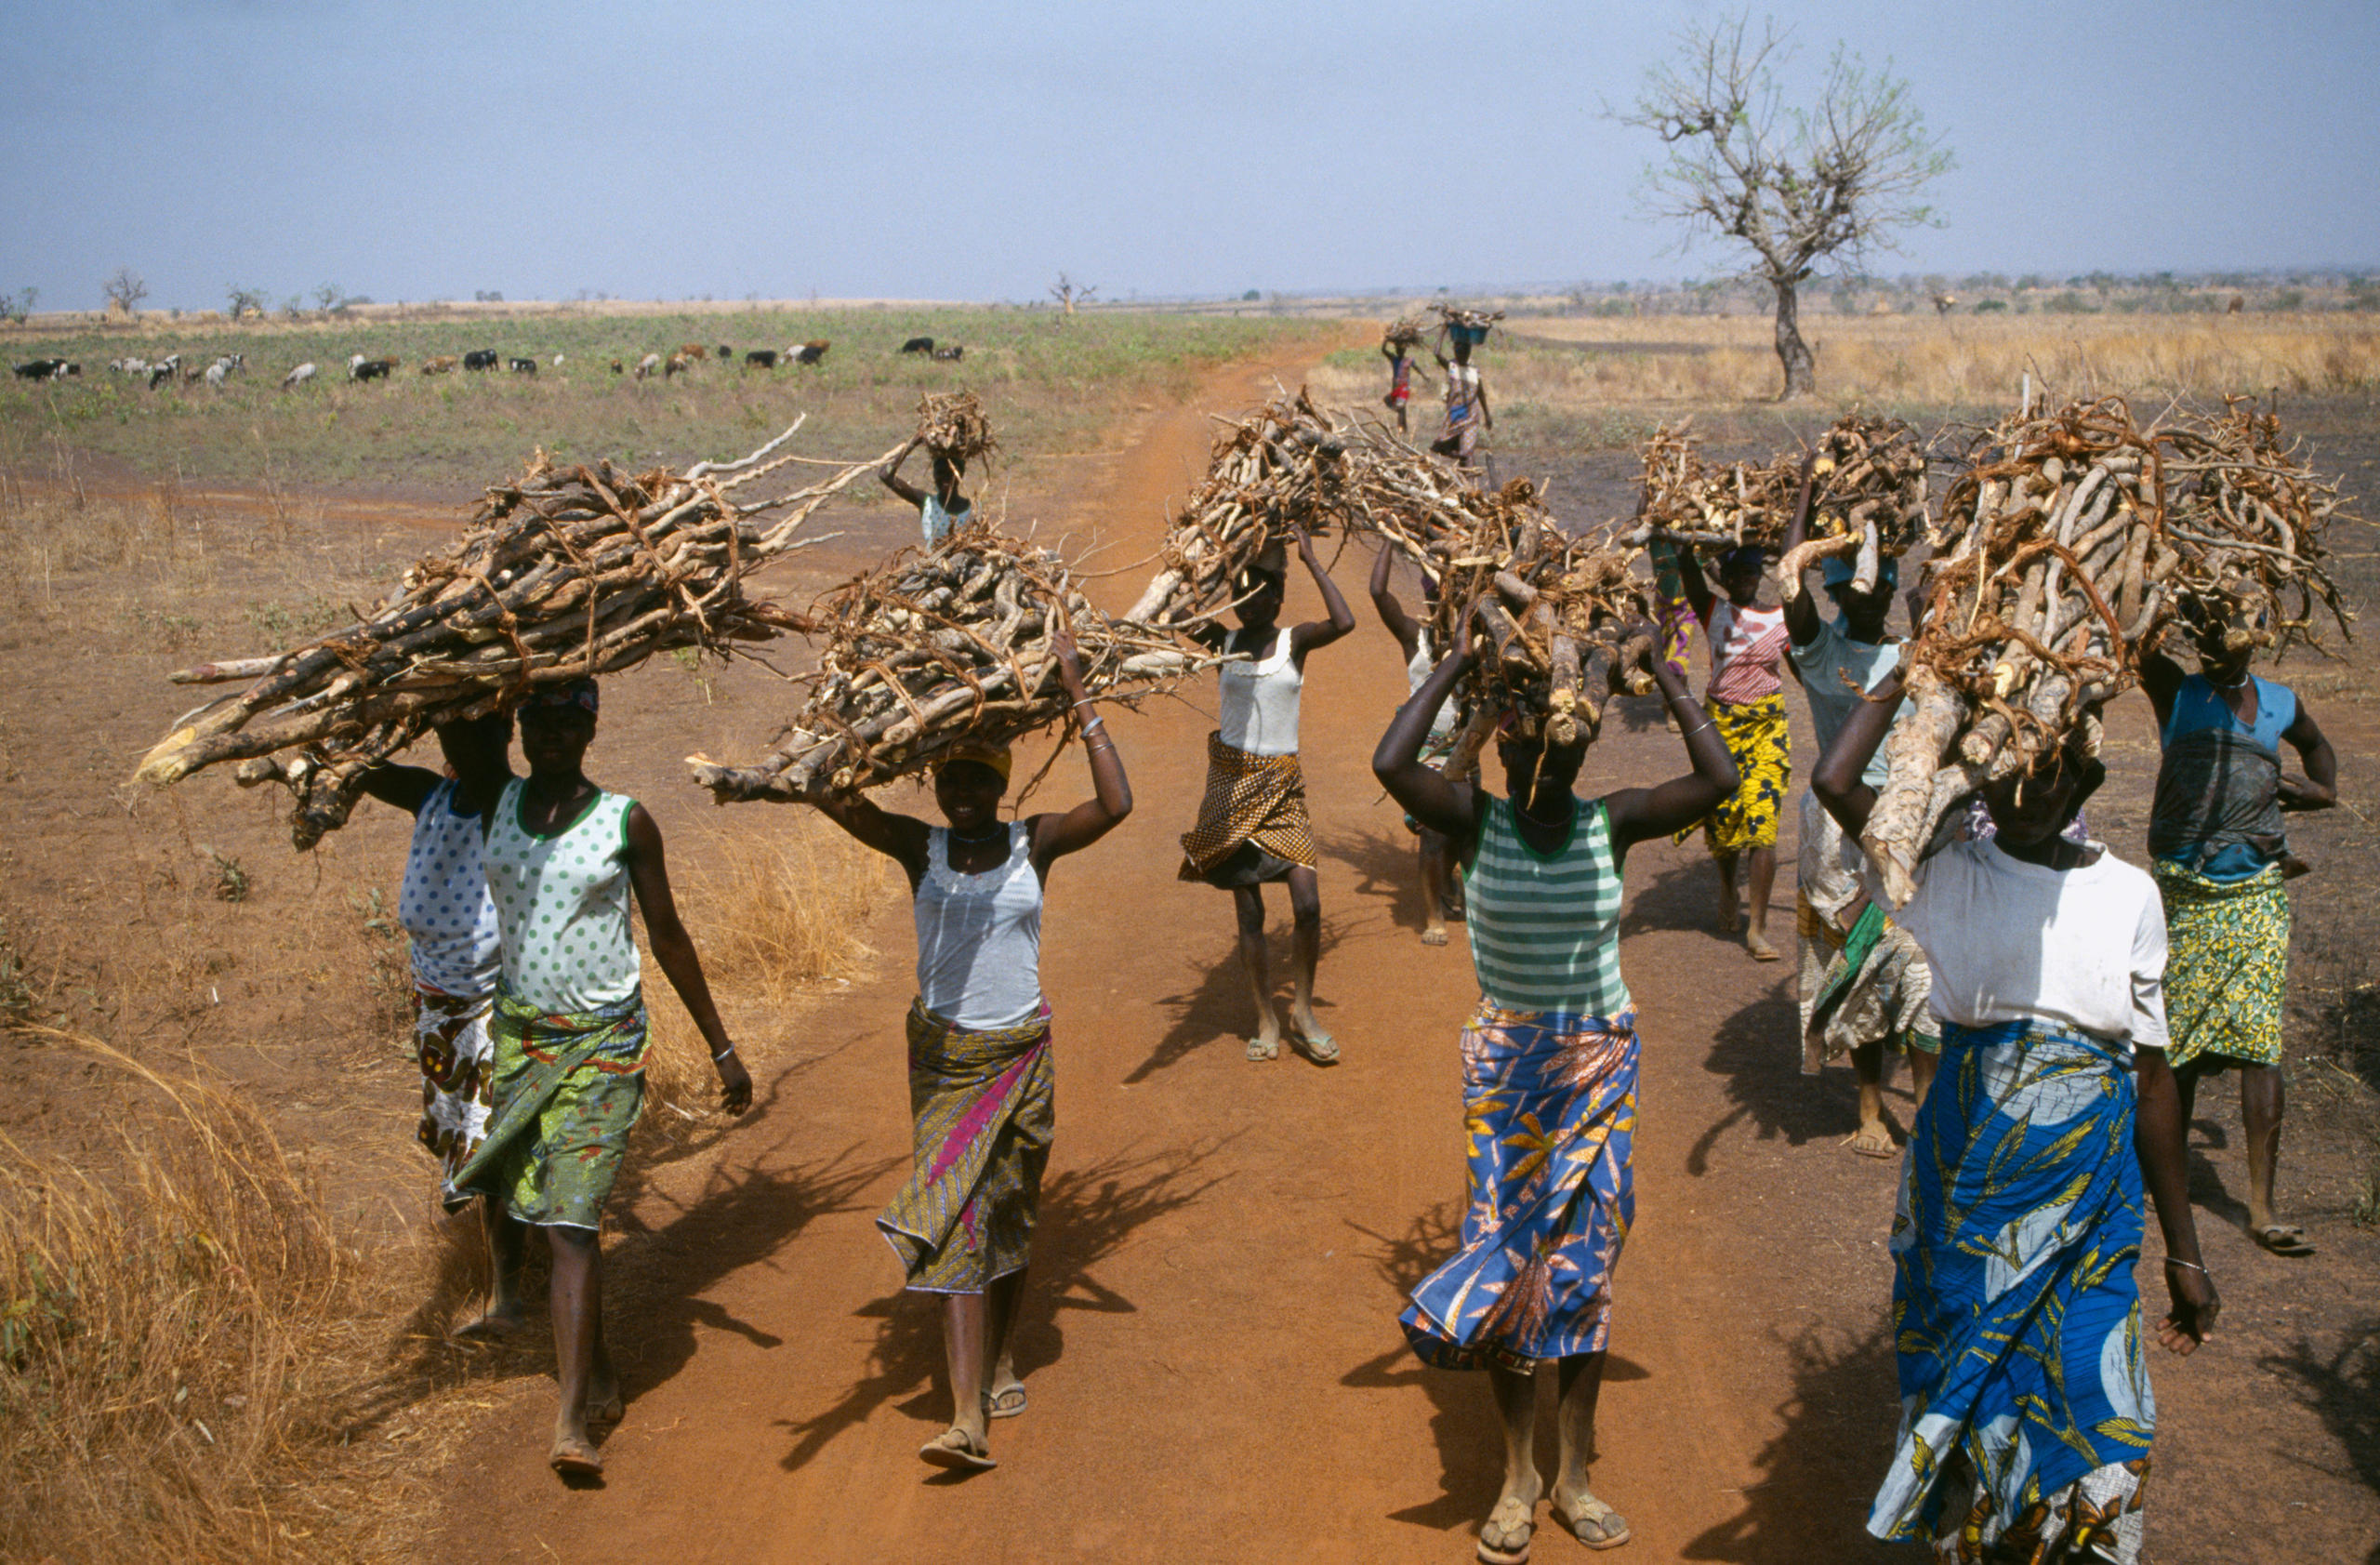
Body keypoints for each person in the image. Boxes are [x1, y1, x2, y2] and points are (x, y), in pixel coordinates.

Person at [1814, 679, 2218, 1564]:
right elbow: (1837, 783)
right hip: (1967, 1193)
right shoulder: (1950, 876)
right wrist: (1913, 684)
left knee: (2102, 1408)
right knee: (1969, 1390)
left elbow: (2154, 1082)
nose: (2024, 798)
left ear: (2083, 780)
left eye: (2048, 778)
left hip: (2091, 1204)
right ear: (1975, 782)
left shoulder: (2132, 897)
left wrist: (2183, 1248)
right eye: (2002, 778)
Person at [1375, 617, 1737, 1563]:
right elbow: (1390, 763)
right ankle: (1516, 1474)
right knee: (1506, 1266)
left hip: (1599, 1067)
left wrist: (1665, 674)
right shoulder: (1472, 821)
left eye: (1568, 747)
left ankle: (1574, 1478)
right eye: (1535, 738)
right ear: (1508, 739)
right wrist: (1458, 663)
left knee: (1582, 1274)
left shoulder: (1607, 820)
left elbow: (1717, 784)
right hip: (1508, 1076)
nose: (1554, 762)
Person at [796, 619, 1131, 1472]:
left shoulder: (1035, 842)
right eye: (951, 777)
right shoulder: (923, 847)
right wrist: (847, 713)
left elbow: (1118, 804)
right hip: (946, 1058)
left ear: (1000, 784)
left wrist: (1077, 691)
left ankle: (1001, 1353)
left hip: (1021, 1054)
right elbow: (830, 794)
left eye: (979, 778)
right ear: (936, 781)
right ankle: (966, 1412)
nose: (963, 793)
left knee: (1011, 1214)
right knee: (955, 1216)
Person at [446, 679, 753, 1479]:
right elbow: (451, 722)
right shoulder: (493, 799)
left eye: (566, 721)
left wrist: (722, 1046)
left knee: (573, 1221)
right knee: (546, 1215)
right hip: (521, 1042)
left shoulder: (626, 819)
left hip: (604, 1047)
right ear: (517, 726)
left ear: (591, 728)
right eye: (535, 720)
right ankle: (601, 1373)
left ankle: (571, 1420)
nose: (550, 735)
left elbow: (669, 936)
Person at [2142, 608, 2336, 1256]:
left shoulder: (2280, 703)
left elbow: (2317, 744)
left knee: (2260, 1042)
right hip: (2188, 893)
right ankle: (2163, 1177)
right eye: (2207, 643)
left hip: (2256, 888)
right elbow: (2134, 635)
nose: (2217, 657)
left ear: (2253, 646)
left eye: (2228, 645)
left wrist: (2320, 791)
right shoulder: (2179, 692)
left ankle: (2260, 1205)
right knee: (2182, 1040)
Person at [1778, 460, 1937, 1156]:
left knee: (1923, 962)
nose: (1868, 602)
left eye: (1881, 592)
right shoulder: (1822, 651)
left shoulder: (1916, 653)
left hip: (1902, 813)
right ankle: (1869, 1110)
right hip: (1840, 822)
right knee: (1863, 959)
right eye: (1856, 594)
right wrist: (1810, 504)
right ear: (1841, 594)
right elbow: (1790, 585)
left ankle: (1930, 1115)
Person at [358, 711, 519, 1322]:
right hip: (439, 1008)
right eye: (452, 732)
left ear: (507, 733)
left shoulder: (519, 804)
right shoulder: (431, 796)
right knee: (472, 1148)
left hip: (498, 1003)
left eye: (481, 732)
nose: (465, 747)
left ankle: (510, 1292)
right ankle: (512, 1280)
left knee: (492, 1150)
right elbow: (364, 770)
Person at [1180, 524, 1355, 1063]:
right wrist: (1212, 558)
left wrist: (1310, 559)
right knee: (1250, 913)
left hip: (1281, 787)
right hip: (1231, 784)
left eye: (1260, 594)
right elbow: (1171, 615)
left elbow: (1344, 622)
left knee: (1307, 903)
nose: (1248, 604)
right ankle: (1266, 1016)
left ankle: (1302, 1009)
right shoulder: (1223, 642)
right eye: (1241, 594)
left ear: (1278, 598)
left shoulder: (1293, 642)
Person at [1670, 539, 1792, 959]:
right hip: (1720, 724)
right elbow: (1688, 575)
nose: (1743, 581)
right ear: (1725, 576)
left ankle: (1757, 927)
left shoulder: (1781, 618)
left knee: (1762, 823)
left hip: (1766, 729)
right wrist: (1684, 544)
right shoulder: (1714, 610)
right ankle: (1727, 889)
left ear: (1761, 578)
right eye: (1736, 574)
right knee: (1723, 820)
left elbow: (1802, 663)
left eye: (1751, 574)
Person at [1368, 542, 1466, 945]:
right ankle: (1432, 917)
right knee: (1431, 832)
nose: (1442, 602)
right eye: (1436, 595)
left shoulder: (1476, 641)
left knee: (1461, 827)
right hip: (1423, 748)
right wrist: (1387, 539)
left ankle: (1446, 879)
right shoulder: (1416, 637)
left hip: (1463, 744)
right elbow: (1378, 593)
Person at [881, 434, 974, 548]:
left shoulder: (973, 509)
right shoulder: (926, 502)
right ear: (934, 475)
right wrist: (912, 444)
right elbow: (885, 475)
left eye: (951, 473)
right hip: (934, 564)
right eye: (940, 472)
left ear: (961, 475)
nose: (945, 478)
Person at [1431, 325, 1493, 472]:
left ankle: (1470, 484)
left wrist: (1487, 414)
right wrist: (1443, 331)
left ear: (1469, 352)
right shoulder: (1452, 367)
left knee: (1467, 452)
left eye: (1466, 351)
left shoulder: (1474, 371)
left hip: (1472, 415)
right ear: (1455, 352)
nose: (1463, 354)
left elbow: (1481, 393)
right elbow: (1437, 353)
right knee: (1450, 448)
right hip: (1455, 414)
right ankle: (1463, 481)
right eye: (1460, 351)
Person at [1381, 332, 1429, 436]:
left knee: (1401, 407)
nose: (1399, 351)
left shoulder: (1409, 360)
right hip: (1395, 386)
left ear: (1405, 350)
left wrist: (1424, 376)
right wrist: (1386, 339)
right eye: (1397, 349)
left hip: (1404, 387)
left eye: (1401, 349)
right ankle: (1404, 427)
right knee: (1390, 402)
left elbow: (1417, 368)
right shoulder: (1394, 359)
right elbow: (1383, 350)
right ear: (1396, 350)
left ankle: (1401, 429)